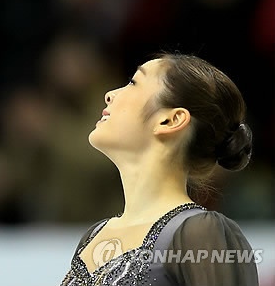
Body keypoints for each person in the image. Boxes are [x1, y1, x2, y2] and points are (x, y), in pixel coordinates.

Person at [59, 53, 259, 286]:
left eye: (133, 83)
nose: (110, 95)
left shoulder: (200, 232)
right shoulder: (93, 237)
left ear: (170, 120)